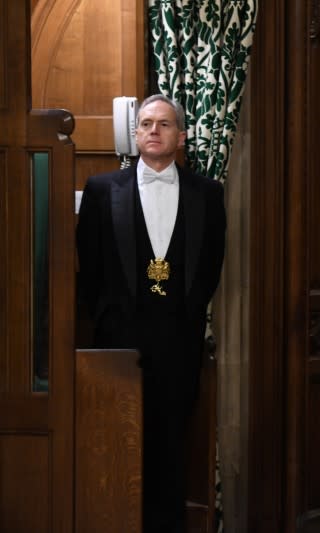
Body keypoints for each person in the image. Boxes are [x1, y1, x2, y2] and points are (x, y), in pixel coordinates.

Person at [76, 94, 226, 532]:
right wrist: (106, 318)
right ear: (135, 133)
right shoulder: (104, 189)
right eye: (145, 124)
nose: (153, 131)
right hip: (118, 341)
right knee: (118, 440)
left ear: (180, 137)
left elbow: (212, 262)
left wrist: (190, 313)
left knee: (171, 441)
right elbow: (90, 263)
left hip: (179, 339)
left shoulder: (208, 192)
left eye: (163, 124)